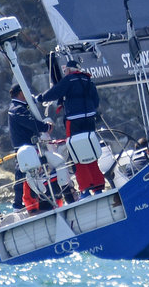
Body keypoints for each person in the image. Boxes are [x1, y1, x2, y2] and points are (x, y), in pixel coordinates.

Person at [46, 58, 107, 189]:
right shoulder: (89, 81)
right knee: (90, 150)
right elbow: (96, 102)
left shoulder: (68, 80)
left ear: (68, 70)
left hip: (74, 121)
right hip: (90, 120)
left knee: (77, 154)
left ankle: (85, 187)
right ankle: (98, 185)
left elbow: (54, 92)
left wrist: (39, 98)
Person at [6, 83, 49, 153]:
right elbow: (31, 123)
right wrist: (46, 127)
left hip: (29, 148)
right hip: (26, 150)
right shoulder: (17, 109)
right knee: (57, 162)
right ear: (21, 93)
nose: (29, 93)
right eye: (27, 91)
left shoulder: (18, 106)